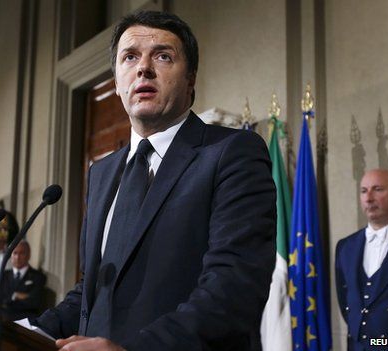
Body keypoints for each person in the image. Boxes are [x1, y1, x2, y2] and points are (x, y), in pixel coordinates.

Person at [33, 11, 276, 351]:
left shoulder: (231, 153)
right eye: (130, 57)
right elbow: (94, 292)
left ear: (191, 78)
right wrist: (23, 328)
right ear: (117, 81)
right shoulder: (102, 173)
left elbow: (234, 287)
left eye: (163, 56)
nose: (143, 68)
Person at [335, 169, 388, 350]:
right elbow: (347, 305)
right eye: (363, 191)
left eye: (377, 189)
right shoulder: (345, 247)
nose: (369, 198)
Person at [0, 241, 46, 320]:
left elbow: (34, 303)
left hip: (25, 321)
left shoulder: (38, 277)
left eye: (22, 253)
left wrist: (7, 299)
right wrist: (15, 295)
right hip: (2, 320)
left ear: (28, 255)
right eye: (15, 253)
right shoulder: (2, 275)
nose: (17, 257)